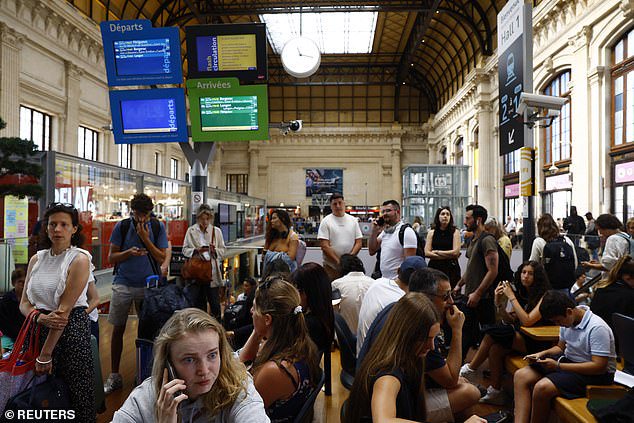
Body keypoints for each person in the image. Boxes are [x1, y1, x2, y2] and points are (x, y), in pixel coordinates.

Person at [357, 269, 481, 422]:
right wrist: (457, 330)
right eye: (445, 296)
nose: (451, 301)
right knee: (470, 392)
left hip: (401, 403)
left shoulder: (399, 312)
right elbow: (383, 420)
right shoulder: (389, 372)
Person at [113, 308, 269, 423]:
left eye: (212, 355)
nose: (204, 370)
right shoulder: (146, 397)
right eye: (189, 360)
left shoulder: (238, 387)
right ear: (169, 363)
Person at [19, 202, 96, 422]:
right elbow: (23, 303)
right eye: (52, 224)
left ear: (74, 229)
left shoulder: (79, 259)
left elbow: (62, 314)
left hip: (69, 333)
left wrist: (45, 355)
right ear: (46, 228)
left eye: (64, 224)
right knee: (39, 395)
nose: (57, 229)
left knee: (74, 394)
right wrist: (39, 317)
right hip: (37, 329)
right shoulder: (37, 258)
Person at [513, 291, 616, 423]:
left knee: (542, 388)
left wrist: (558, 366)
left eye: (558, 320)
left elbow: (599, 367)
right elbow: (560, 348)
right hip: (570, 362)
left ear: (569, 311)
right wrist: (542, 353)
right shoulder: (567, 320)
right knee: (520, 376)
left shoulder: (597, 327)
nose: (558, 324)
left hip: (596, 375)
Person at [460, 261, 552, 405]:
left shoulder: (545, 296)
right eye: (523, 272)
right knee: (496, 349)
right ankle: (496, 392)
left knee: (492, 334)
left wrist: (511, 297)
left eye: (530, 273)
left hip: (540, 343)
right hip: (524, 337)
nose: (525, 276)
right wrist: (499, 303)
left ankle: (471, 369)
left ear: (538, 277)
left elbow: (527, 321)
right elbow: (509, 320)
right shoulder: (523, 293)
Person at [104, 193, 169, 394]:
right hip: (123, 283)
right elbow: (111, 257)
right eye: (138, 214)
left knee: (149, 330)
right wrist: (128, 253)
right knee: (117, 329)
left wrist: (145, 239)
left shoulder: (157, 227)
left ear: (150, 213)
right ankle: (115, 375)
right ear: (132, 211)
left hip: (149, 285)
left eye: (145, 214)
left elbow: (161, 257)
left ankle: (146, 373)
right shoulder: (122, 226)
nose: (141, 218)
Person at [239, 278, 320, 422]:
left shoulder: (274, 371)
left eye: (254, 307)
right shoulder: (301, 343)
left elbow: (240, 408)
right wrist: (258, 331)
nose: (251, 311)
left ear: (268, 319)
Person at [453, 204, 499, 358]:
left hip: (483, 298)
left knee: (489, 334)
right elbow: (472, 267)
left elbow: (493, 271)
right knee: (466, 333)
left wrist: (478, 293)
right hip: (471, 295)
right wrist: (459, 285)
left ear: (478, 220)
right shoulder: (473, 240)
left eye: (468, 218)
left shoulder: (487, 241)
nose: (465, 222)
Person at [357, 256, 427, 354]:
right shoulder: (404, 302)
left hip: (362, 352)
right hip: (375, 360)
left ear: (398, 271)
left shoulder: (378, 282)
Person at [182, 204, 226, 319]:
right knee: (197, 305)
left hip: (212, 273)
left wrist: (214, 251)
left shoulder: (216, 231)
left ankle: (217, 329)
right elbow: (184, 250)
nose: (205, 222)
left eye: (208, 219)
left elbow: (223, 250)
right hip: (195, 273)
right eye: (202, 219)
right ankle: (199, 329)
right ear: (198, 218)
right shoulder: (191, 231)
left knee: (215, 304)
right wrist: (196, 251)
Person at [290, 263, 335, 353]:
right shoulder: (323, 316)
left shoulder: (310, 325)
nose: (295, 296)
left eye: (298, 291)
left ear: (309, 293)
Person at [368, 200, 418, 280]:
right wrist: (374, 231)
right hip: (384, 280)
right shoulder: (385, 232)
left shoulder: (407, 232)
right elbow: (372, 250)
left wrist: (401, 282)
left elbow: (409, 263)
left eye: (388, 210)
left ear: (397, 212)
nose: (385, 214)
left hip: (398, 282)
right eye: (383, 211)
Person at [317, 193, 363, 281]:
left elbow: (358, 242)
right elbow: (324, 246)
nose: (338, 206)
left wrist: (348, 260)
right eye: (335, 204)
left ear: (344, 203)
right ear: (331, 206)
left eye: (340, 203)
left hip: (350, 269)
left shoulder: (353, 220)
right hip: (331, 267)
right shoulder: (326, 221)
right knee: (332, 292)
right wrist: (339, 262)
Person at [529, 213, 578, 294]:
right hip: (566, 286)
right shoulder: (567, 240)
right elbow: (575, 264)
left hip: (546, 287)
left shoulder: (538, 241)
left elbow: (532, 265)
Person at [590, 255, 634, 335]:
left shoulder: (601, 289)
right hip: (620, 341)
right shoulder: (629, 296)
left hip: (596, 334)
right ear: (627, 278)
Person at [331, 254, 375, 332]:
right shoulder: (373, 283)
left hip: (345, 336)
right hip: (370, 335)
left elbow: (333, 313)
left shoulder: (336, 284)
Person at [425, 206, 461, 288]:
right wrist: (448, 255)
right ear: (438, 217)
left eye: (448, 214)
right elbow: (427, 253)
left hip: (451, 269)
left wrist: (437, 252)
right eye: (443, 214)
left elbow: (455, 252)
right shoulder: (431, 232)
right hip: (435, 268)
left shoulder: (455, 232)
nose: (445, 216)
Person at [262, 209, 299, 275]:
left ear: (283, 219)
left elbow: (290, 258)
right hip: (269, 274)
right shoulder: (270, 236)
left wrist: (271, 255)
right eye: (271, 219)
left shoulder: (293, 237)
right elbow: (264, 256)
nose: (271, 221)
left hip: (284, 275)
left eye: (274, 218)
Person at [0, 268, 26, 351]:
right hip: (8, 335)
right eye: (20, 282)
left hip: (26, 336)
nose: (23, 285)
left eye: (25, 282)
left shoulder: (31, 299)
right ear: (13, 283)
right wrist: (17, 336)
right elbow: (4, 324)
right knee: (3, 350)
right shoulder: (6, 300)